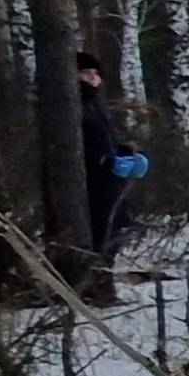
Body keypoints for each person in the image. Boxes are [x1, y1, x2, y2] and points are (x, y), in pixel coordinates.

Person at [76, 52, 128, 258]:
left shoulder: (96, 104)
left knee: (112, 233)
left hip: (109, 181)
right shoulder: (72, 105)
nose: (92, 78)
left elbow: (107, 137)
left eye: (95, 73)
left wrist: (126, 151)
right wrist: (103, 160)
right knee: (99, 237)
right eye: (85, 72)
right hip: (90, 185)